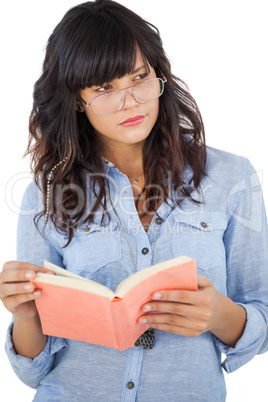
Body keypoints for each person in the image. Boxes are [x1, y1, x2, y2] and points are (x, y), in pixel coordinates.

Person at [1, 0, 268, 400]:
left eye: (139, 78)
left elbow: (261, 314)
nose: (130, 102)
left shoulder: (232, 177)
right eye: (105, 88)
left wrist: (221, 315)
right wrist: (25, 315)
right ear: (77, 98)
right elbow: (32, 369)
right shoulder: (46, 193)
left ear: (159, 74)